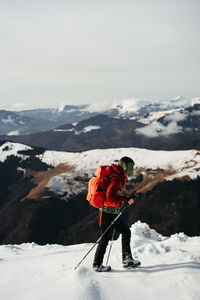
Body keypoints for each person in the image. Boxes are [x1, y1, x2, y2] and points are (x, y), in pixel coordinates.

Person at [93, 156, 140, 272]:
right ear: (126, 166)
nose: (132, 170)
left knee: (125, 232)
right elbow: (110, 196)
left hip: (111, 212)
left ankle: (127, 259)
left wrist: (125, 198)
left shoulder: (116, 174)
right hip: (107, 213)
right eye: (131, 167)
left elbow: (113, 195)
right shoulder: (116, 177)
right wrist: (125, 199)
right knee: (105, 238)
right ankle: (97, 264)